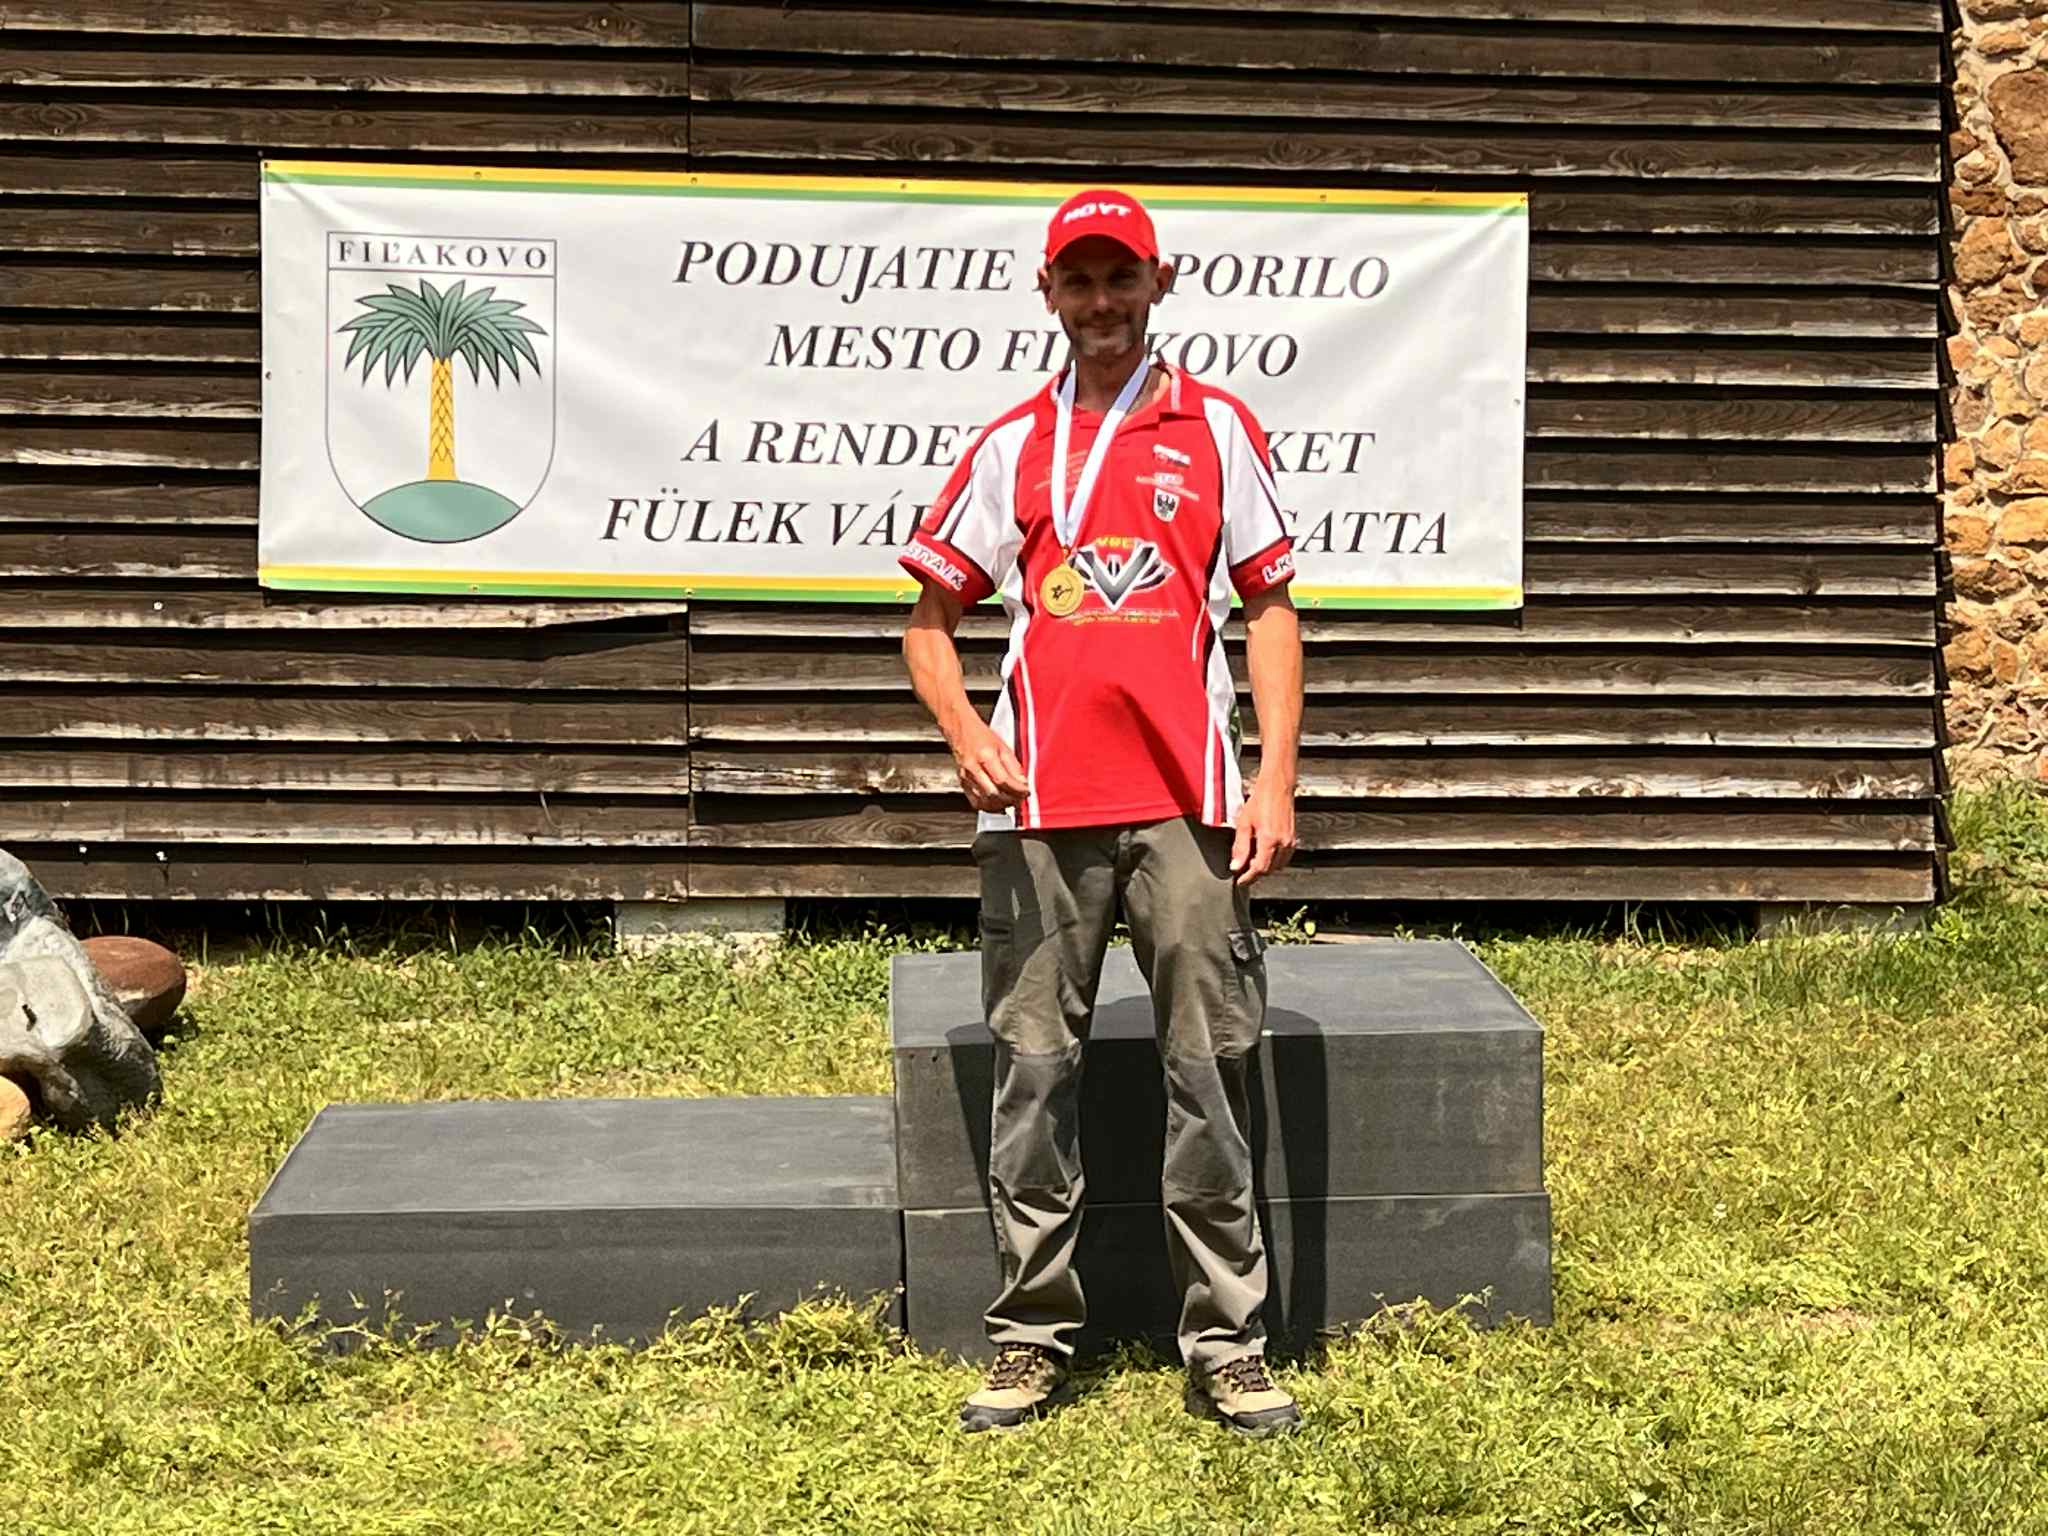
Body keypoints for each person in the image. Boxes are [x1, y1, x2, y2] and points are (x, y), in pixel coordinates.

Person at [898, 188, 1305, 1438]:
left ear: (1157, 282)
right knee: (1033, 1077)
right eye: (1076, 282)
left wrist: (1273, 778)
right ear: (1047, 294)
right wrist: (967, 735)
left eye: (1119, 278)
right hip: (1040, 811)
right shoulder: (1012, 441)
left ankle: (1227, 1344)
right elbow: (927, 624)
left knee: (1208, 1072)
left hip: (1186, 804)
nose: (1100, 303)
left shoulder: (1216, 426)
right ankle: (1028, 1339)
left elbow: (1268, 610)